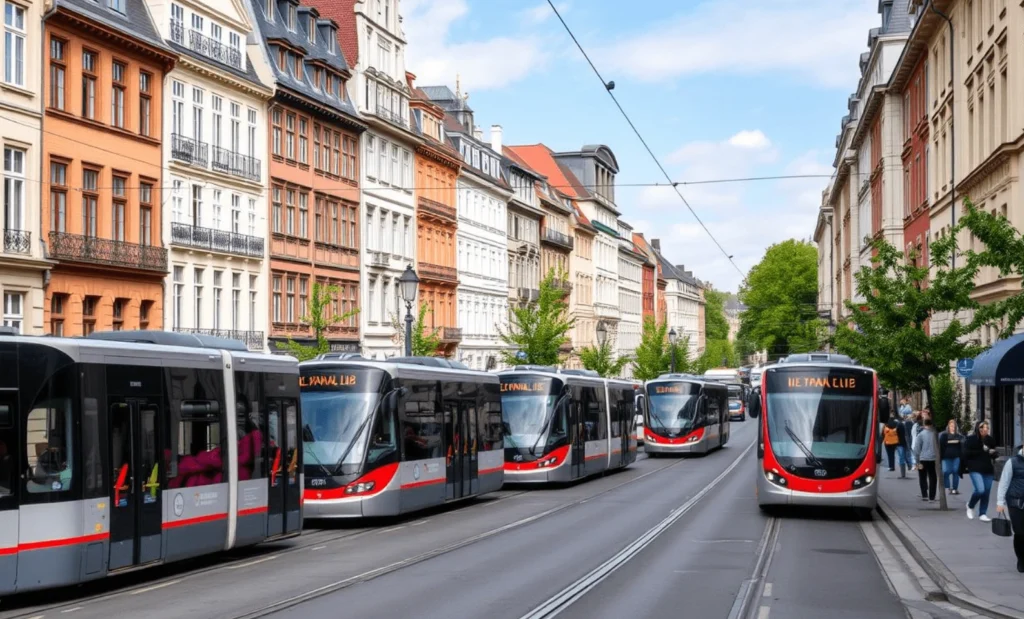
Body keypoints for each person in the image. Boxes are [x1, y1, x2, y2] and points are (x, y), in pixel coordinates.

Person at [996, 444, 1024, 573]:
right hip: (1016, 503)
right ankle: (1021, 558)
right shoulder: (1012, 462)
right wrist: (1000, 502)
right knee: (1019, 533)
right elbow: (1004, 482)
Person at [964, 421, 999, 522]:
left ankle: (982, 513)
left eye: (987, 428)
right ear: (978, 429)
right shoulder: (971, 439)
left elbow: (993, 454)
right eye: (982, 428)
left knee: (986, 492)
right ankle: (970, 505)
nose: (985, 430)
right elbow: (966, 454)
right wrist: (982, 450)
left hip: (987, 469)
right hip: (975, 468)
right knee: (980, 489)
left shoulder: (990, 440)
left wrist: (993, 453)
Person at [913, 417, 938, 501]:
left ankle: (924, 495)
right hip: (933, 459)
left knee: (922, 477)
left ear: (924, 425)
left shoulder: (921, 434)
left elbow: (917, 449)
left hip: (922, 459)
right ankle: (932, 496)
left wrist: (916, 461)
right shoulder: (935, 434)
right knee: (933, 477)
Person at [939, 419, 964, 494]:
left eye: (954, 426)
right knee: (946, 471)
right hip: (946, 457)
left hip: (956, 457)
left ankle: (954, 488)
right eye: (951, 426)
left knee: (955, 472)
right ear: (948, 427)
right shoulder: (944, 435)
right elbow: (941, 446)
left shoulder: (959, 436)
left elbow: (962, 446)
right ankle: (947, 487)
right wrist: (941, 457)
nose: (953, 427)